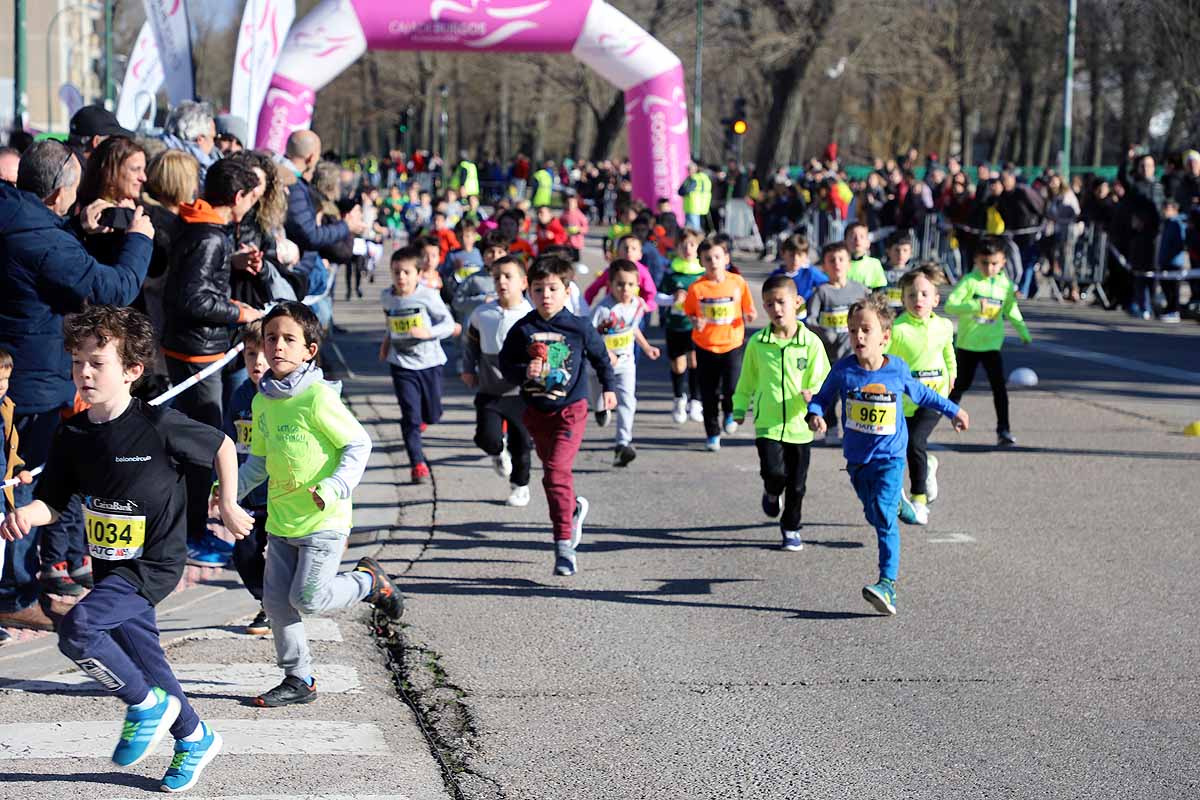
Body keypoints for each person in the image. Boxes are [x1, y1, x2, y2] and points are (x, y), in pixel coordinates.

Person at [1, 305, 252, 791]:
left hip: (154, 563)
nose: (84, 373)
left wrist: (228, 501)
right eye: (78, 362)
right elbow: (55, 501)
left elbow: (221, 445)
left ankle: (145, 705)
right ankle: (194, 736)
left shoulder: (158, 425)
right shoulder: (73, 433)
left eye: (98, 363)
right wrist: (27, 515)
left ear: (133, 371)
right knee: (146, 660)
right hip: (110, 564)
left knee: (79, 629)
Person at [0, 140, 154, 631]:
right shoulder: (43, 241)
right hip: (28, 383)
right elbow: (113, 288)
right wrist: (139, 239)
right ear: (58, 193)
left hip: (18, 371)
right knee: (20, 485)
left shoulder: (18, 218)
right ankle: (15, 593)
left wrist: (76, 229)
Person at [234, 302, 402, 709]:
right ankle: (299, 679)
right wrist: (226, 492)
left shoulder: (317, 397)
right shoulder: (262, 401)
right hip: (282, 520)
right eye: (271, 338)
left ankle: (368, 583)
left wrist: (335, 485)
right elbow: (258, 462)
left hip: (324, 519)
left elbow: (358, 444)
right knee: (276, 604)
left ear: (309, 350)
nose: (277, 346)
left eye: (288, 339)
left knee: (309, 599)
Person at [806, 294, 969, 616]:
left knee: (882, 516)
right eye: (853, 330)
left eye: (866, 330)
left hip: (891, 458)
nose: (858, 336)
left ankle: (887, 585)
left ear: (885, 337)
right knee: (874, 512)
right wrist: (815, 414)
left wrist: (954, 410)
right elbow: (821, 397)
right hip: (857, 461)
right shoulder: (844, 370)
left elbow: (922, 394)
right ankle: (902, 506)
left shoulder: (896, 370)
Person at [163, 157, 265, 566]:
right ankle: (191, 535)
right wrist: (240, 312)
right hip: (197, 352)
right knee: (203, 445)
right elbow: (193, 298)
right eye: (251, 198)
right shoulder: (210, 235)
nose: (252, 206)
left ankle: (192, 527)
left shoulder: (199, 226)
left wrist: (232, 264)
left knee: (200, 441)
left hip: (191, 347)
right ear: (237, 196)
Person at [498, 256, 616, 577]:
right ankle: (572, 509)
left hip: (571, 410)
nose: (546, 295)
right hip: (536, 412)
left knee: (555, 473)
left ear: (567, 291)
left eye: (553, 289)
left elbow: (601, 357)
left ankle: (563, 546)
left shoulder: (578, 327)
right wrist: (525, 370)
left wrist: (609, 388)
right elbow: (506, 365)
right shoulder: (523, 329)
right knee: (555, 476)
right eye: (538, 289)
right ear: (529, 292)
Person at [732, 276, 830, 550]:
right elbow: (747, 380)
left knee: (797, 486)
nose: (775, 309)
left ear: (797, 302)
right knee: (774, 474)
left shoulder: (811, 343)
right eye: (769, 304)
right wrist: (739, 407)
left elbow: (824, 379)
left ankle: (791, 528)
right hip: (768, 423)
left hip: (801, 425)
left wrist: (815, 400)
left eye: (781, 302)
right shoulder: (758, 343)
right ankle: (772, 492)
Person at [461, 256, 535, 507]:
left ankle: (520, 486)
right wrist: (468, 369)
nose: (501, 282)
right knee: (486, 437)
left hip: (521, 392)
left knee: (522, 442)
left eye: (508, 276)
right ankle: (497, 452)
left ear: (523, 282)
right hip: (490, 389)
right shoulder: (482, 313)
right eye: (496, 277)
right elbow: (471, 344)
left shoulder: (530, 316)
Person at [886, 264, 956, 525]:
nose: (918, 299)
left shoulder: (944, 326)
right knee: (906, 446)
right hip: (904, 400)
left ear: (936, 299)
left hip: (934, 396)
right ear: (902, 299)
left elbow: (948, 352)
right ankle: (927, 467)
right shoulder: (897, 329)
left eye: (925, 294)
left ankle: (919, 499)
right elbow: (885, 360)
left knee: (915, 441)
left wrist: (952, 373)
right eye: (911, 295)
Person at [379, 246, 455, 483]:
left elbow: (448, 323)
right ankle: (417, 463)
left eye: (407, 272)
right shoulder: (387, 296)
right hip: (401, 364)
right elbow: (390, 321)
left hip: (430, 362)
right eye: (396, 272)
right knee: (410, 416)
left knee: (432, 414)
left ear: (418, 274)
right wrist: (386, 344)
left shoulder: (428, 295)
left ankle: (424, 418)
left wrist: (428, 332)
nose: (401, 277)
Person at [946, 237, 1031, 446]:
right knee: (960, 385)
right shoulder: (970, 281)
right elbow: (950, 305)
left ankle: (1004, 430)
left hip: (992, 346)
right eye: (984, 263)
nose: (989, 268)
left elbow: (1011, 309)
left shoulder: (1005, 285)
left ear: (1003, 262)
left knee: (999, 388)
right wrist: (974, 306)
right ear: (976, 260)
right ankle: (942, 415)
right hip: (968, 345)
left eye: (994, 263)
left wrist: (1023, 332)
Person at [684, 237, 757, 452]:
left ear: (726, 258)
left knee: (732, 387)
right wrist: (695, 321)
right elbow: (689, 312)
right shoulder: (697, 288)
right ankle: (713, 433)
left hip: (732, 344)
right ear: (701, 262)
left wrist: (750, 315)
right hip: (706, 346)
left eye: (717, 257)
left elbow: (749, 308)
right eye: (708, 259)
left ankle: (730, 413)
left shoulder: (737, 283)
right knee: (709, 393)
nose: (713, 262)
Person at [222, 321, 272, 635]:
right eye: (251, 354)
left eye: (264, 353)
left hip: (282, 496)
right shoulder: (240, 395)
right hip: (248, 496)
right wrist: (222, 486)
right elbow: (227, 443)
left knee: (285, 559)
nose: (258, 362)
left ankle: (283, 602)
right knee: (244, 553)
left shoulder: (285, 396)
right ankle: (268, 601)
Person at [590, 259, 660, 465]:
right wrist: (605, 353)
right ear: (610, 285)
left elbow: (632, 328)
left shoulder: (637, 304)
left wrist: (646, 347)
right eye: (620, 284)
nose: (625, 289)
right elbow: (590, 337)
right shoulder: (602, 310)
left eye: (630, 284)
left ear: (637, 285)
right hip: (599, 367)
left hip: (625, 363)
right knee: (598, 401)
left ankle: (622, 444)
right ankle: (600, 410)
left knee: (628, 401)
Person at [807, 242, 869, 446]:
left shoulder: (859, 289)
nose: (837, 264)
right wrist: (825, 332)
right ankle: (831, 427)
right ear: (824, 266)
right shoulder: (821, 292)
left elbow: (870, 315)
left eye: (841, 259)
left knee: (854, 394)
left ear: (849, 264)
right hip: (829, 355)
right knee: (830, 394)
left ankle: (855, 429)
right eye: (831, 260)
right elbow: (810, 320)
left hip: (854, 353)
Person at [1, 347, 33, 644]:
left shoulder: (6, 405)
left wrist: (20, 468)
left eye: (6, 380)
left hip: (2, 500)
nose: (2, 386)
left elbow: (10, 448)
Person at [659, 229, 706, 424]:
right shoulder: (671, 272)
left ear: (698, 248)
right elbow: (657, 296)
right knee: (679, 366)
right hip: (676, 326)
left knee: (695, 362)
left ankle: (696, 401)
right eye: (683, 245)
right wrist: (672, 299)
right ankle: (679, 399)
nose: (688, 249)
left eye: (692, 245)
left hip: (697, 327)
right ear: (677, 248)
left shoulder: (703, 272)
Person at [583, 235, 658, 307]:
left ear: (640, 254)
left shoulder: (643, 272)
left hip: (632, 311)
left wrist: (647, 306)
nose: (629, 251)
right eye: (626, 248)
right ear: (617, 252)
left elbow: (651, 292)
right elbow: (593, 289)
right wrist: (584, 307)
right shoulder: (612, 270)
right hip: (611, 309)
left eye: (633, 248)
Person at [160, 101, 220, 184]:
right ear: (200, 139)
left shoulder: (156, 161)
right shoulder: (203, 174)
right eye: (213, 138)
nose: (214, 144)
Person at [768, 234, 828, 314]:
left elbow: (828, 284)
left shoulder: (810, 272)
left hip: (806, 317)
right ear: (783, 254)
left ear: (806, 256)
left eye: (800, 255)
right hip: (783, 315)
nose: (795, 259)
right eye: (791, 255)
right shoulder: (776, 276)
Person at [845, 222, 887, 289]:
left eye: (862, 236)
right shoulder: (839, 264)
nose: (857, 239)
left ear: (868, 243)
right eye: (852, 236)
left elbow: (880, 289)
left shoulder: (874, 263)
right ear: (844, 242)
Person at [881, 232, 915, 312]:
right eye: (897, 250)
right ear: (888, 251)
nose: (901, 254)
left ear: (910, 252)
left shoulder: (913, 273)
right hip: (884, 311)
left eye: (905, 250)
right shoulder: (879, 270)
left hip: (905, 312)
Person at [561, 192, 589, 259]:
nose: (570, 205)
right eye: (568, 203)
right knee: (566, 259)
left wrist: (579, 229)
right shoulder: (564, 215)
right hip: (566, 243)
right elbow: (560, 226)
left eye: (572, 203)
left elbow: (586, 228)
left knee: (575, 260)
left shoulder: (580, 215)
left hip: (576, 243)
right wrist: (564, 230)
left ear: (576, 204)